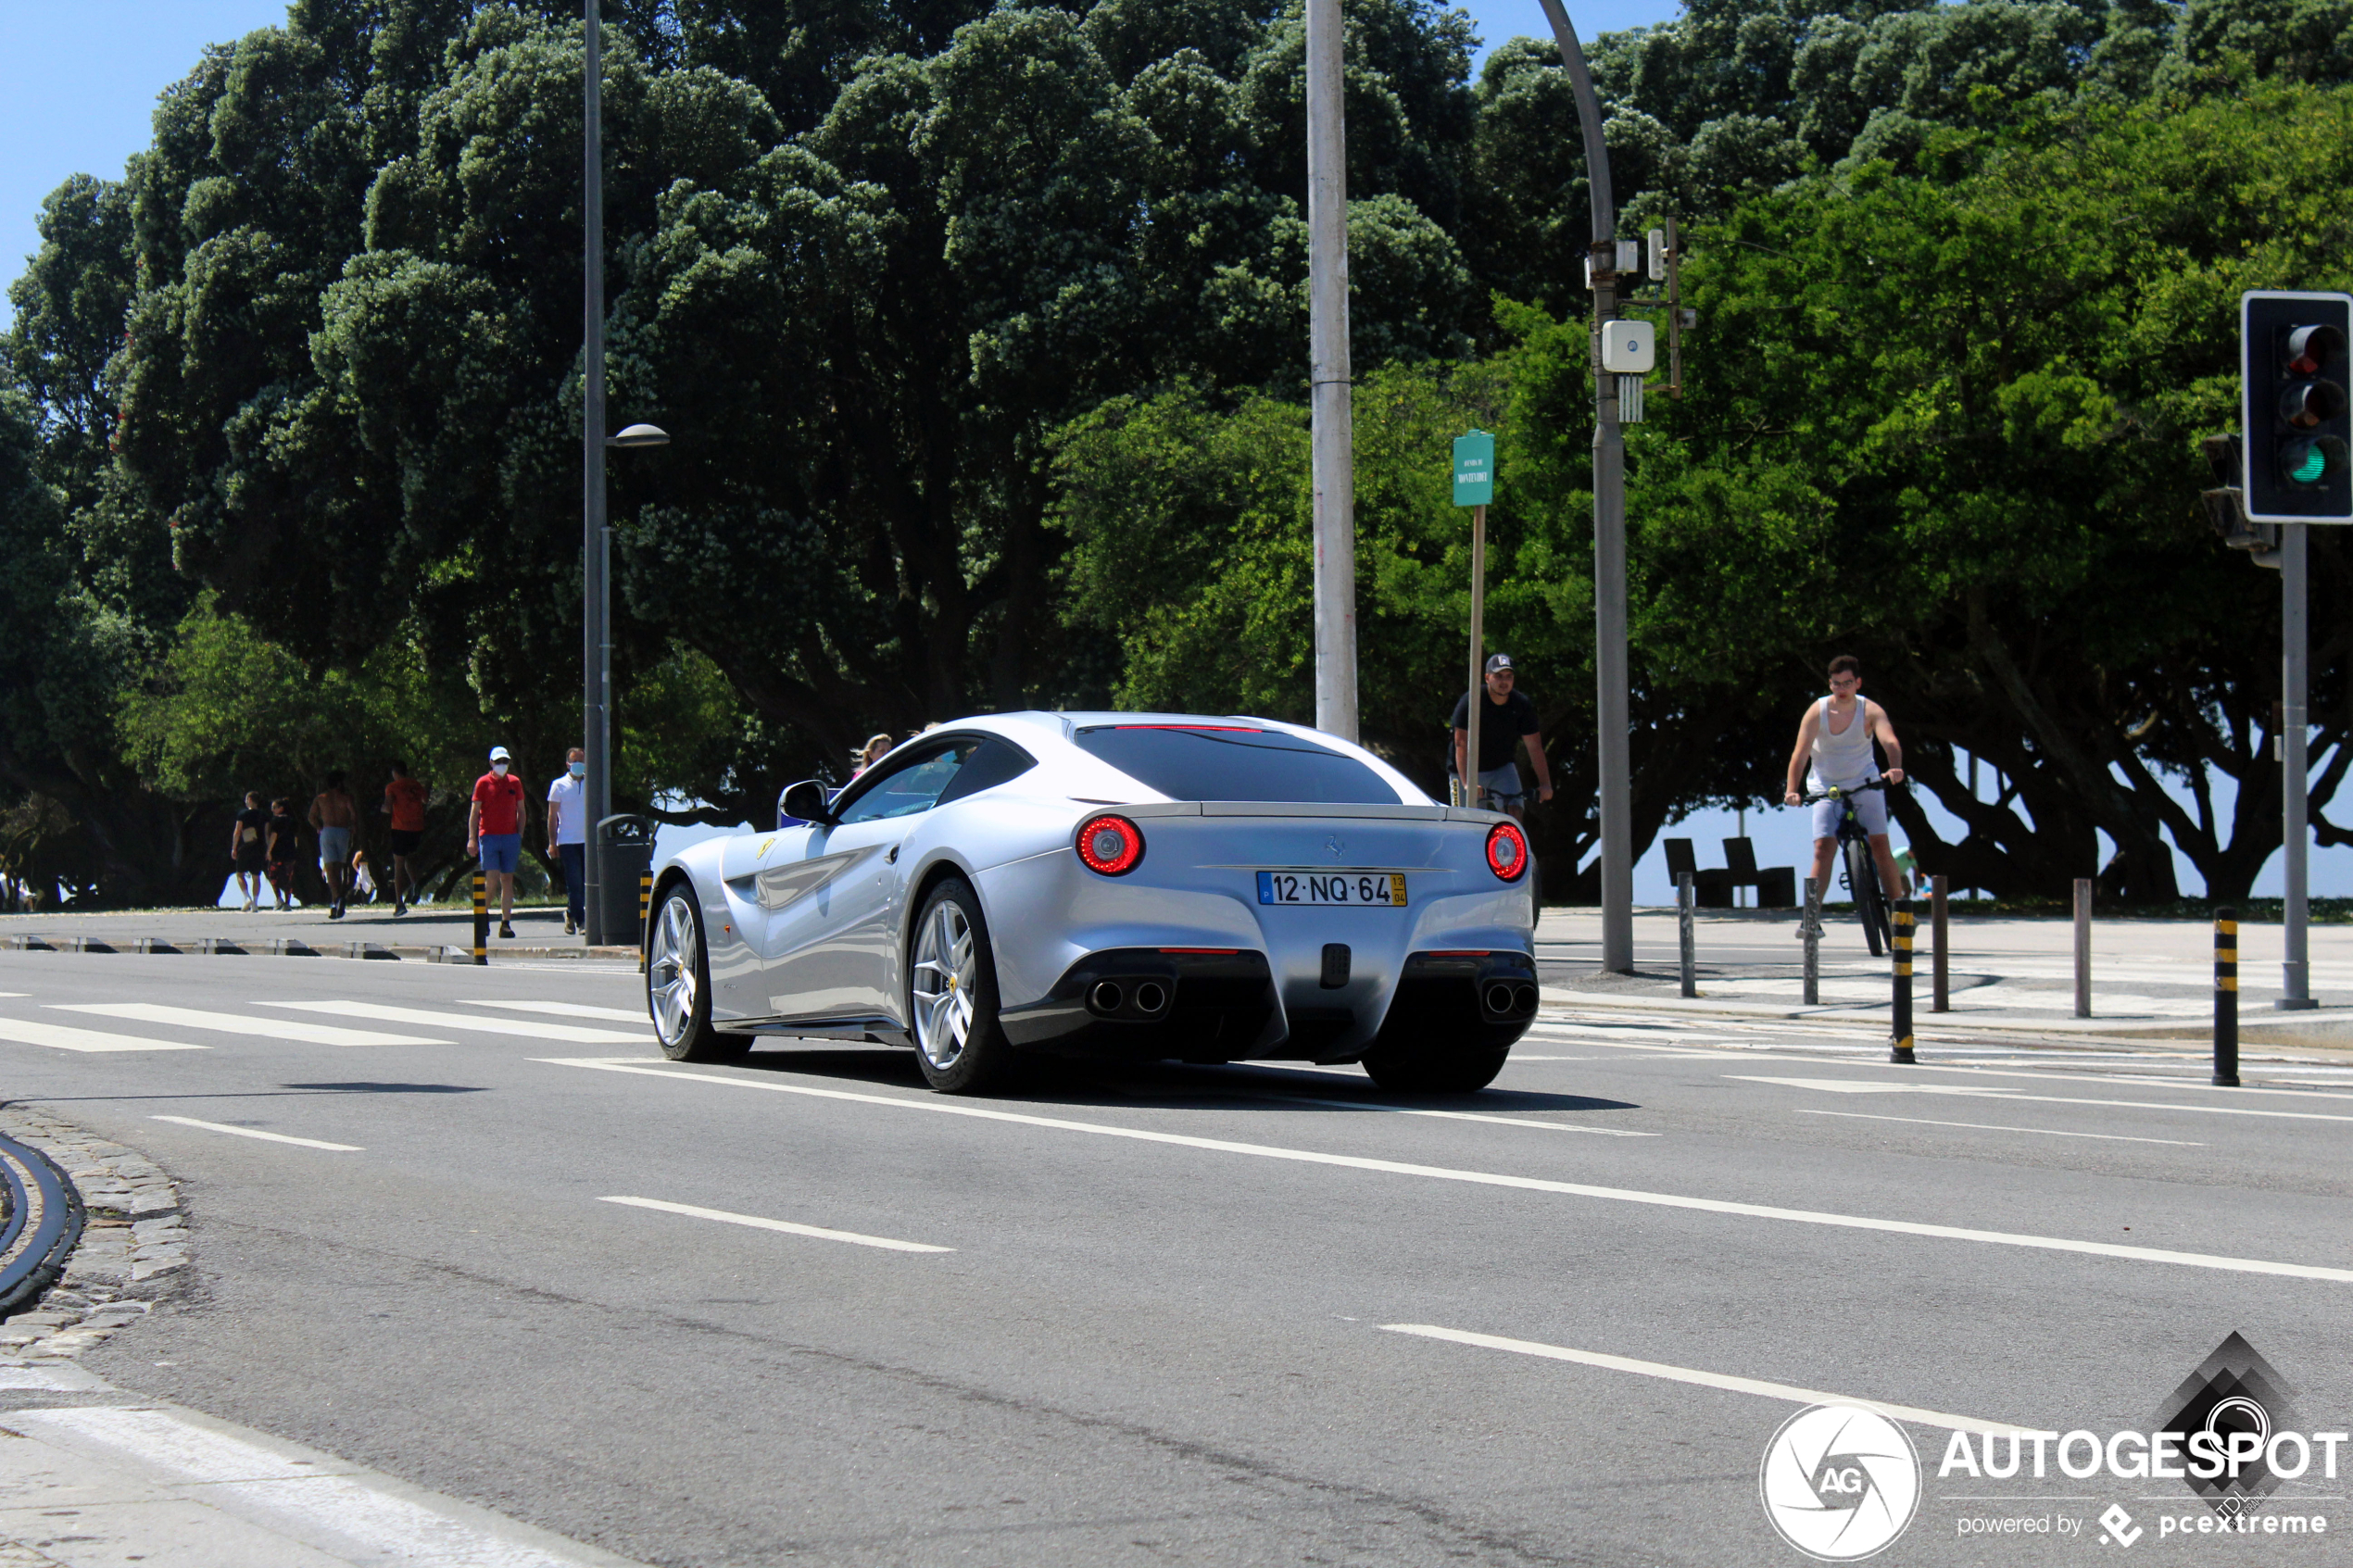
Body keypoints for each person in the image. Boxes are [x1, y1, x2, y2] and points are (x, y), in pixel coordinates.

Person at [1782, 654, 1906, 902]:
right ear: (1830, 684)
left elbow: (1890, 741)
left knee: (1881, 845)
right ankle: (1811, 918)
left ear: (1858, 683)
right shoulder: (1817, 712)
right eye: (1836, 683)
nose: (1842, 689)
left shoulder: (1870, 710)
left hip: (1864, 784)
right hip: (1826, 788)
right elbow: (1800, 753)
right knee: (1822, 849)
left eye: (1847, 683)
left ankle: (1899, 911)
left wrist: (1895, 768)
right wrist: (1791, 790)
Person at [1450, 653, 1554, 820]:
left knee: (1514, 812)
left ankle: (1510, 845)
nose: (1504, 681)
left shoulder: (1521, 705)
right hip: (1465, 772)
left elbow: (1534, 747)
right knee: (1465, 821)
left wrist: (1545, 784)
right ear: (1487, 678)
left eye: (1509, 676)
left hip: (1501, 769)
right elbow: (1460, 743)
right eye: (1498, 676)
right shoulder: (1471, 701)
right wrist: (1467, 783)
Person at [469, 745, 528, 939]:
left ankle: (505, 923)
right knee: (492, 878)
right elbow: (475, 813)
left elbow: (521, 810)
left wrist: (519, 834)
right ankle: (483, 915)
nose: (502, 765)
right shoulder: (483, 783)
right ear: (491, 763)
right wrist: (472, 839)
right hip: (489, 837)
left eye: (505, 762)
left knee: (507, 879)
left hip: (510, 837)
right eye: (499, 762)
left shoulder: (515, 782)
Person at [547, 746, 588, 936]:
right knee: (575, 883)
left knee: (587, 882)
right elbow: (552, 816)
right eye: (575, 761)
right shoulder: (559, 785)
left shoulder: (592, 784)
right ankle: (581, 921)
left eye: (582, 760)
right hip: (567, 841)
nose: (579, 764)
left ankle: (571, 913)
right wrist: (552, 842)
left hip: (587, 841)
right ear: (568, 764)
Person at [308, 771, 359, 920]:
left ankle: (337, 899)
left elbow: (311, 817)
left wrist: (319, 827)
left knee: (330, 869)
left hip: (328, 831)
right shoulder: (346, 797)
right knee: (340, 867)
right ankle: (337, 900)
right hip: (343, 831)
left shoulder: (321, 799)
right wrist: (353, 826)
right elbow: (353, 814)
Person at [381, 759, 427, 915]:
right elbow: (425, 800)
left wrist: (382, 809)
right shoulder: (415, 784)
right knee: (409, 858)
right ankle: (415, 883)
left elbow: (387, 807)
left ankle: (399, 903)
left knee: (398, 865)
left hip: (400, 828)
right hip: (417, 827)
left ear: (395, 773)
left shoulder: (392, 787)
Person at [229, 791, 269, 912]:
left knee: (240, 874)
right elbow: (267, 833)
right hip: (260, 847)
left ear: (250, 800)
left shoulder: (243, 814)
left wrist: (234, 848)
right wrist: (268, 850)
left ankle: (247, 897)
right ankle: (255, 903)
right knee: (256, 876)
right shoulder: (264, 815)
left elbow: (237, 831)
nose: (245, 801)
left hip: (245, 847)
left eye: (246, 799)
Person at [262, 798, 301, 910]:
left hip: (277, 851)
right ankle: (287, 903)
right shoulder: (293, 820)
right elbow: (296, 838)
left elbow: (274, 836)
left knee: (273, 875)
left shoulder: (276, 820)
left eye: (274, 807)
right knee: (288, 877)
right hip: (290, 851)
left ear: (281, 808)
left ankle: (278, 899)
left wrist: (268, 851)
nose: (272, 810)